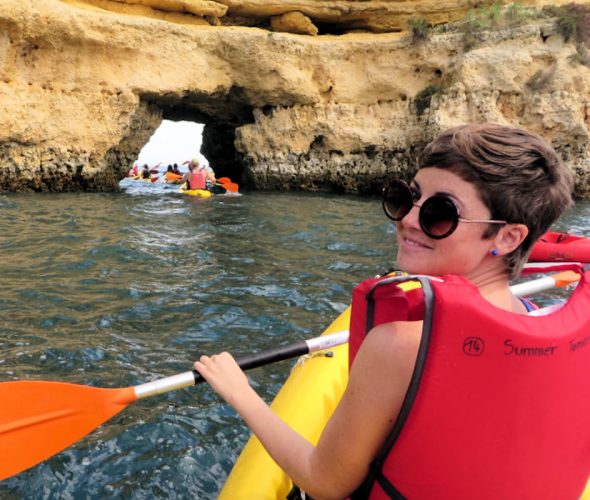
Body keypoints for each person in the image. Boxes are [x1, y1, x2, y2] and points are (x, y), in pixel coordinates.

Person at [195, 124, 585, 498]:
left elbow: (324, 482)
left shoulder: (399, 344)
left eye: (440, 213)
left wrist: (240, 392)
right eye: (404, 197)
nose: (409, 220)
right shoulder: (553, 327)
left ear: (508, 236)